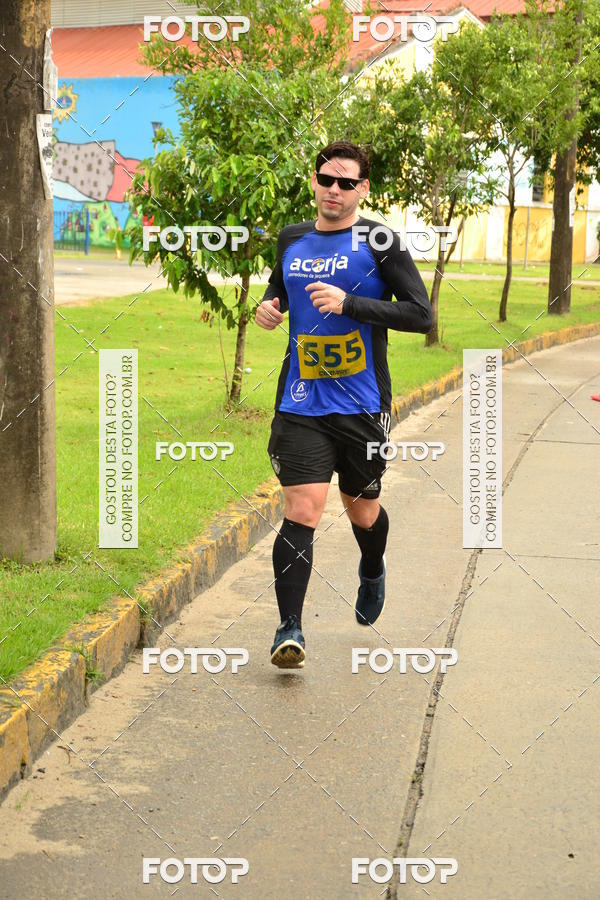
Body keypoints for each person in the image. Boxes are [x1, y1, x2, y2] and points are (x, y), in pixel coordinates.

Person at [255, 140, 432, 668]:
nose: (335, 190)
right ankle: (290, 630)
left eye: (347, 183)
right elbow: (278, 295)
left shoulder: (380, 242)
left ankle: (372, 567)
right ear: (314, 182)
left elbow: (421, 314)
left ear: (363, 189)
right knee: (302, 509)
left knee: (363, 509)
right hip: (301, 401)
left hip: (361, 404)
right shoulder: (291, 239)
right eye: (326, 180)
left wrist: (351, 303)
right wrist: (269, 310)